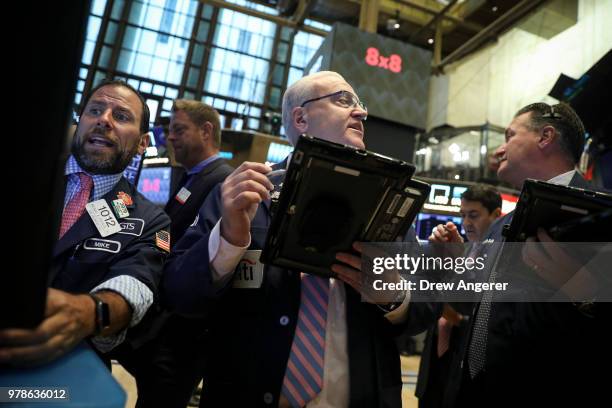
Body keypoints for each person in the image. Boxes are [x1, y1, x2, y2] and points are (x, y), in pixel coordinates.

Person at [163, 71, 414, 407]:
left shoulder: (387, 200)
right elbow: (178, 293)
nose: (361, 113)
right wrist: (229, 239)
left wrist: (395, 295)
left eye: (359, 104)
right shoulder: (246, 192)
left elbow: (425, 310)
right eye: (344, 100)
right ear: (301, 118)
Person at [411, 102, 603, 407]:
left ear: (546, 136)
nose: (499, 151)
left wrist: (585, 292)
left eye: (510, 136)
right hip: (472, 390)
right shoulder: (502, 224)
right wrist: (454, 262)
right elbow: (475, 299)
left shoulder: (601, 217)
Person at [0, 80, 171, 366]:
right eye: (95, 110)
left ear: (142, 143)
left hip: (64, 365)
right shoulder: (23, 174)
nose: (104, 120)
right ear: (79, 123)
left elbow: (135, 285)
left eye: (121, 116)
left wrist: (88, 312)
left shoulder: (148, 218)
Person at [118, 100, 233, 408]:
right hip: (161, 329)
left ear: (206, 131)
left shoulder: (222, 181)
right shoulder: (193, 177)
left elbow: (205, 261)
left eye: (179, 130)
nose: (170, 138)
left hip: (183, 335)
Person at [417, 184, 502, 407]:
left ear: (496, 215)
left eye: (473, 215)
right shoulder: (461, 248)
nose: (466, 223)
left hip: (466, 353)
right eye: (462, 215)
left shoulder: (500, 256)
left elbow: (479, 304)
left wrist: (459, 319)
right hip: (437, 349)